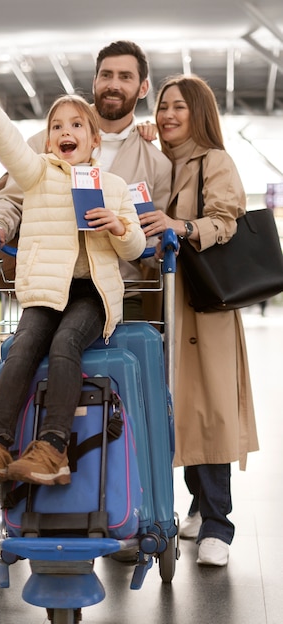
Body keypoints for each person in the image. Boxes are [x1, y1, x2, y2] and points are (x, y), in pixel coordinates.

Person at [0, 84, 146, 487]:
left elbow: (135, 246)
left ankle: (52, 447)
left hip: (92, 294)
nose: (67, 131)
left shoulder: (113, 186)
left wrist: (118, 226)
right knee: (23, 346)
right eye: (57, 126)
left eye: (77, 124)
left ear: (95, 139)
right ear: (48, 140)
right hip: (47, 289)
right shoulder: (38, 174)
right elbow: (9, 146)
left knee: (65, 344)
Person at [140, 74, 259, 566]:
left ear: (199, 114)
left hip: (202, 307)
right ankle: (193, 505)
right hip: (160, 303)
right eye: (163, 106)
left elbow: (227, 220)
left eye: (179, 108)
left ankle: (218, 525)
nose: (167, 115)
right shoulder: (156, 163)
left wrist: (181, 226)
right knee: (173, 408)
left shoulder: (215, 161)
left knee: (207, 409)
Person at [0, 40, 172, 321]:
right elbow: (10, 199)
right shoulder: (49, 140)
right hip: (50, 288)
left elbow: (149, 237)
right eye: (106, 75)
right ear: (95, 80)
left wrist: (157, 249)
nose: (113, 84)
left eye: (125, 76)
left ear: (143, 88)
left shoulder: (157, 164)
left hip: (121, 292)